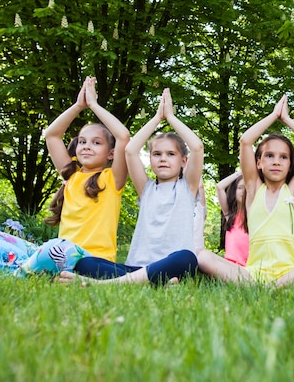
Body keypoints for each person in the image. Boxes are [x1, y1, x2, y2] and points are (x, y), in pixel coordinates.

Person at [0, 76, 129, 276]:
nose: (87, 146)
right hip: (58, 253)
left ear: (111, 153)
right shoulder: (72, 175)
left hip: (89, 260)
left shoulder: (112, 179)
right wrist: (78, 106)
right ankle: (28, 272)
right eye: (82, 141)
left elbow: (124, 136)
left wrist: (93, 105)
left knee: (55, 247)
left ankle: (14, 277)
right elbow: (51, 135)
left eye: (96, 142)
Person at [59, 88, 200, 285]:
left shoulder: (188, 188)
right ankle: (151, 282)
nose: (163, 159)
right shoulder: (146, 188)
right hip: (136, 267)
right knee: (85, 263)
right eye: (157, 154)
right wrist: (156, 119)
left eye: (171, 154)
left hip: (171, 264)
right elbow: (131, 149)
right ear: (150, 159)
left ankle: (108, 284)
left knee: (187, 258)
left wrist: (170, 117)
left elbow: (197, 146)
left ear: (184, 161)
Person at [197, 94, 294, 285]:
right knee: (203, 257)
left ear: (290, 164)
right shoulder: (254, 189)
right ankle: (280, 288)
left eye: (283, 157)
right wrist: (273, 115)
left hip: (290, 272)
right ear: (259, 163)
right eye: (269, 155)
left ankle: (277, 286)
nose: (276, 161)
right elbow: (246, 141)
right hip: (253, 274)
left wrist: (286, 119)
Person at [217, 171, 249, 266]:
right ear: (234, 191)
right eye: (240, 188)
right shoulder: (230, 215)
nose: (243, 191)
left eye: (247, 188)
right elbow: (220, 187)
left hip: (251, 267)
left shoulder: (256, 215)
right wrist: (242, 171)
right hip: (231, 266)